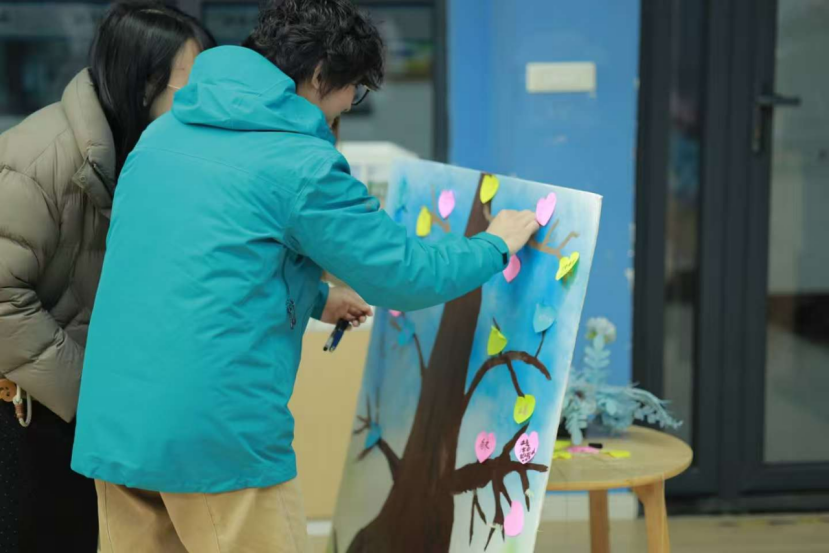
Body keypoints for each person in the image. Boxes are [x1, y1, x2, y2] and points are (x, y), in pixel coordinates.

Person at [70, 0, 540, 551]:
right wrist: (494, 243)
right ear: (320, 76)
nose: (346, 108)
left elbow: (197, 263)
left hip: (118, 423)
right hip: (214, 434)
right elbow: (405, 274)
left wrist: (317, 298)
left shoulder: (162, 135)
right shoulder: (300, 163)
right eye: (352, 91)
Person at [0, 3, 215, 550]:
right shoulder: (37, 159)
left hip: (102, 418)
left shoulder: (151, 155)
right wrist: (93, 394)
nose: (204, 106)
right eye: (191, 89)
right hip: (34, 414)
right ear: (142, 85)